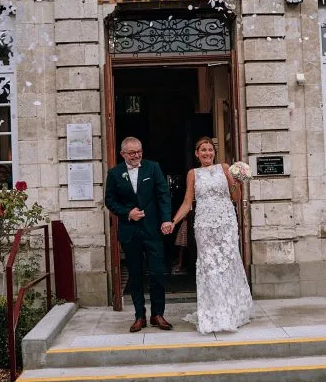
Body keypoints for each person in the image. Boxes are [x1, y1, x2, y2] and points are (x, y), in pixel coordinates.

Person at [168, 137, 253, 333]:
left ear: (214, 152)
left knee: (228, 264)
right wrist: (173, 221)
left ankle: (232, 312)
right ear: (197, 154)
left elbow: (236, 197)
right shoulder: (193, 174)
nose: (207, 153)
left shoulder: (224, 168)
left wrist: (238, 182)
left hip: (226, 224)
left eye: (210, 150)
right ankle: (214, 313)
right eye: (203, 150)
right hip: (204, 225)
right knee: (210, 266)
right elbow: (187, 203)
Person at [104, 137, 174, 332]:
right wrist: (128, 213)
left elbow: (163, 194)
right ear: (123, 154)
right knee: (135, 275)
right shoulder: (115, 173)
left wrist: (167, 219)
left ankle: (157, 314)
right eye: (132, 153)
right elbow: (110, 200)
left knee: (157, 273)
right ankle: (139, 316)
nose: (136, 155)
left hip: (153, 230)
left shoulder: (153, 168)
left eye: (139, 151)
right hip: (130, 232)